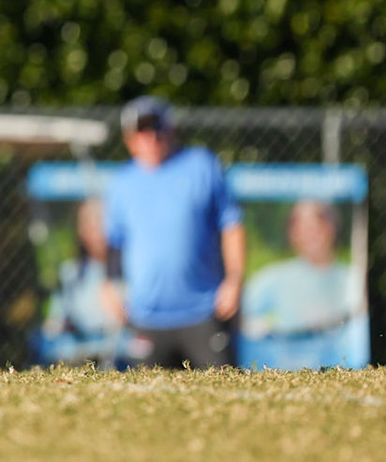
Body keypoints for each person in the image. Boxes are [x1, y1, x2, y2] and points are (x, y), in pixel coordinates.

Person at [100, 96, 245, 369]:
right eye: (142, 130)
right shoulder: (122, 183)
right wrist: (108, 284)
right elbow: (114, 242)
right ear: (130, 138)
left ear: (171, 130)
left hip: (204, 311)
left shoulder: (202, 166)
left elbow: (232, 226)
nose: (151, 137)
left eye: (158, 128)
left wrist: (235, 279)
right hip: (146, 317)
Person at [241, 200, 363, 340]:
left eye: (317, 227)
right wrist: (266, 329)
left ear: (332, 228)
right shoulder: (273, 277)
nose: (310, 236)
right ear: (292, 234)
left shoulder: (351, 278)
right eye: (302, 229)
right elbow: (241, 314)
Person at [40, 198, 123, 366]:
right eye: (89, 224)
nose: (97, 231)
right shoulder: (71, 274)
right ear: (80, 230)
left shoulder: (131, 271)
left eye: (101, 222)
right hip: (84, 357)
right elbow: (55, 322)